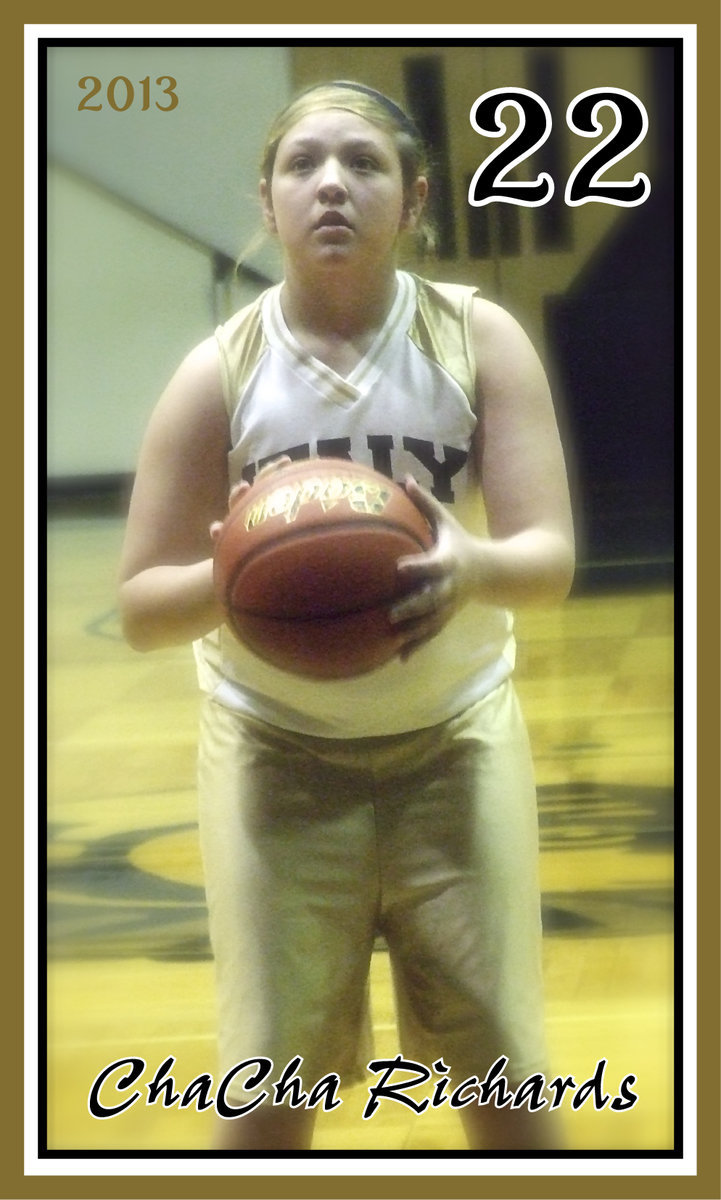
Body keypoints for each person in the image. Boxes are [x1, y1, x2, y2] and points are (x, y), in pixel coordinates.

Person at [118, 80, 575, 1153]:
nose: (333, 183)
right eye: (304, 164)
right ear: (267, 201)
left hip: (454, 739)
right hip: (276, 754)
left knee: (508, 1085)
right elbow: (144, 607)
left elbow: (546, 563)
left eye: (364, 164)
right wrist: (234, 566)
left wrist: (469, 565)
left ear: (415, 198)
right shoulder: (219, 372)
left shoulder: (477, 338)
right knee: (266, 1096)